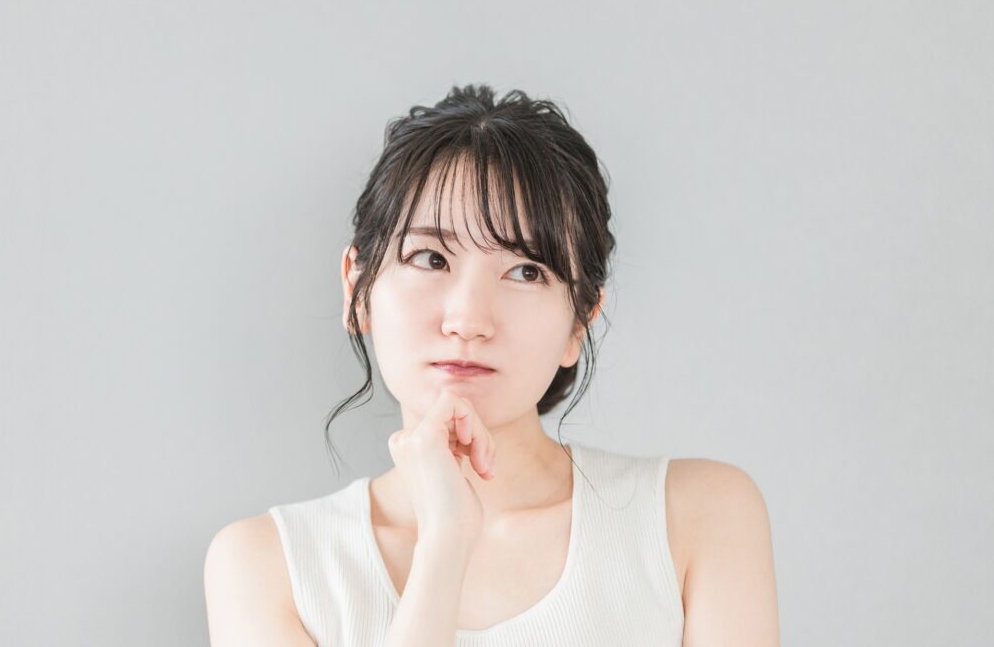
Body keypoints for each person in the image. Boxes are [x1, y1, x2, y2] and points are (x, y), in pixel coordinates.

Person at [203, 84, 780, 646]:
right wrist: (444, 544)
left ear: (579, 322)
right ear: (358, 290)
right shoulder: (269, 567)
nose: (469, 320)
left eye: (526, 271)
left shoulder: (697, 517)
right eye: (430, 258)